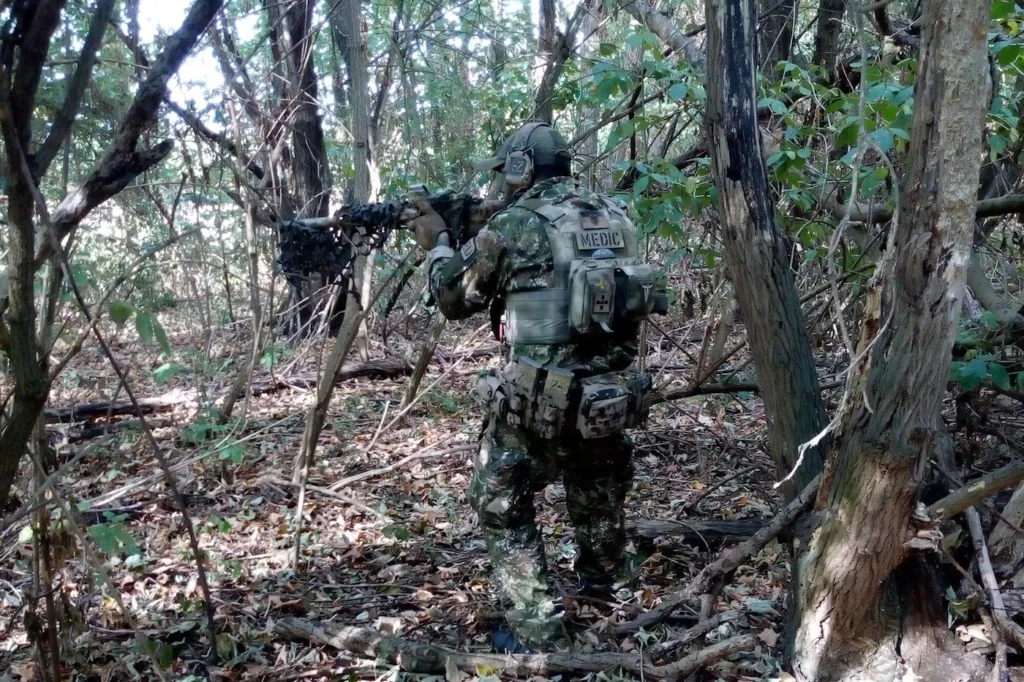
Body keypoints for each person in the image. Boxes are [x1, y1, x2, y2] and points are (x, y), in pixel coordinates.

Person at [409, 121, 666, 653]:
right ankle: (608, 589)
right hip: (609, 399)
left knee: (499, 500)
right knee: (597, 490)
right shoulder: (614, 215)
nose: (502, 185)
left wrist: (436, 243)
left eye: (506, 173)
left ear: (523, 168)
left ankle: (536, 628)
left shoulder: (514, 225)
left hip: (543, 403)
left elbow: (453, 298)